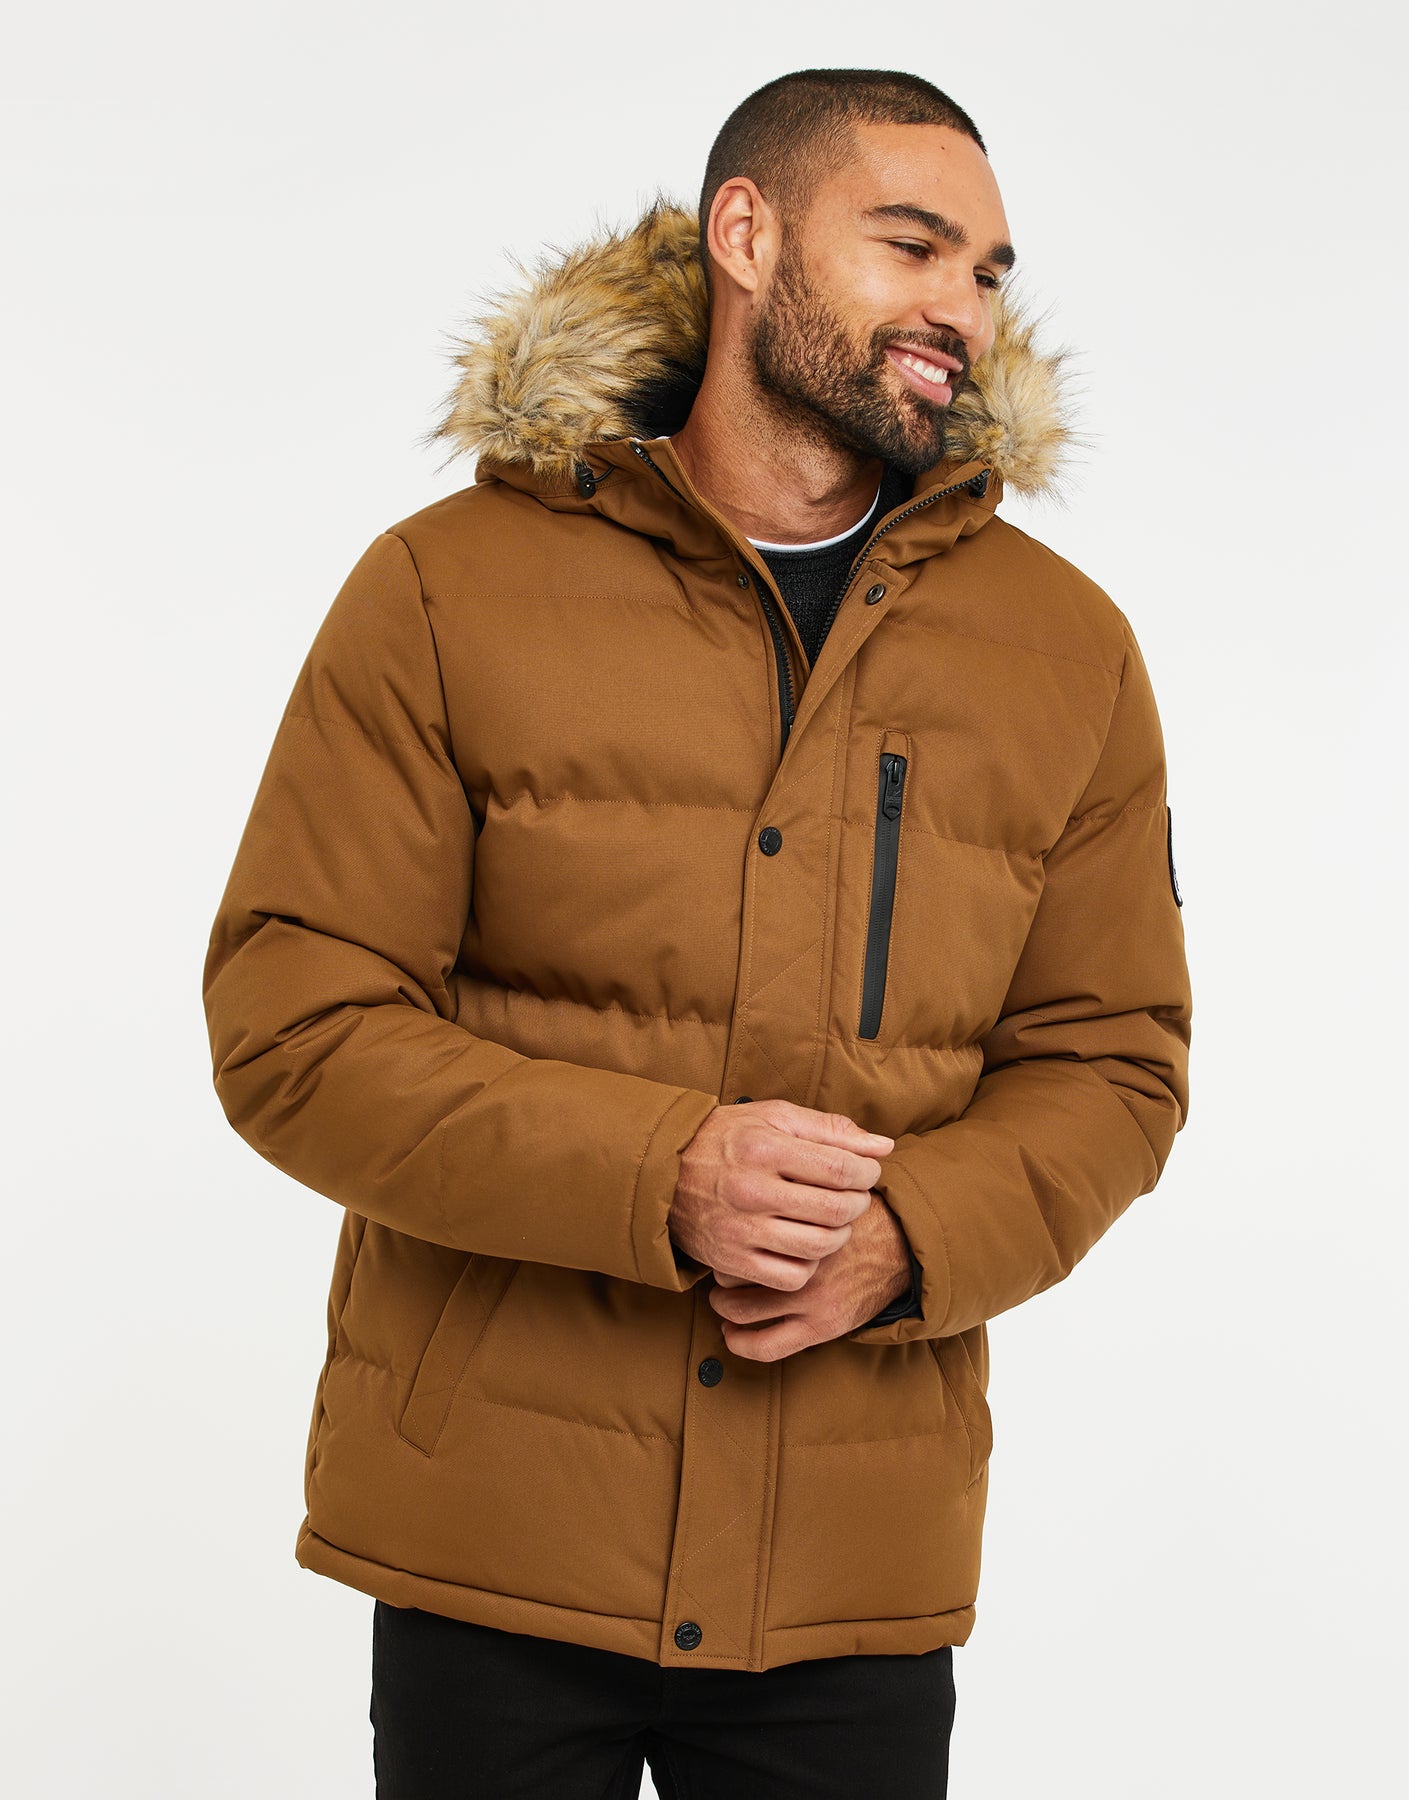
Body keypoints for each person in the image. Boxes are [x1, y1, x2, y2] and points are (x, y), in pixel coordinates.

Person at [202, 65, 1192, 1799]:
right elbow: (296, 1026)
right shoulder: (447, 586)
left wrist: (910, 1234)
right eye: (909, 246)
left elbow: (1113, 1062)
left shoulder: (1065, 648)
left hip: (847, 1564)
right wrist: (659, 1171)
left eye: (985, 272)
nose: (960, 309)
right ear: (746, 234)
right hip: (495, 1539)